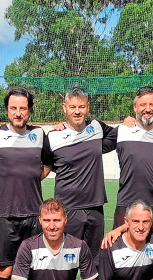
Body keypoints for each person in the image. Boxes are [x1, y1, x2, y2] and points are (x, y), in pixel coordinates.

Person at [0, 87, 50, 280]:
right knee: (5, 269)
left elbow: (48, 164)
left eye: (23, 109)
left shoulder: (40, 135)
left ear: (29, 111)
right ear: (7, 111)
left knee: (34, 268)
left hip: (34, 214)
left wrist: (31, 176)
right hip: (6, 214)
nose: (18, 113)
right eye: (13, 108)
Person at [42, 87, 115, 256]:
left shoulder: (97, 127)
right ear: (64, 108)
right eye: (72, 107)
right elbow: (47, 166)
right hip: (68, 208)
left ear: (87, 108)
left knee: (95, 261)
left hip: (95, 207)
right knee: (66, 260)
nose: (77, 112)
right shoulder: (53, 136)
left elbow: (119, 136)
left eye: (81, 107)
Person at [106, 86, 153, 228]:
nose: (148, 109)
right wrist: (65, 126)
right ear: (135, 108)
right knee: (120, 249)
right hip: (126, 206)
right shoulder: (121, 130)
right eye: (143, 105)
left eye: (152, 104)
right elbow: (93, 143)